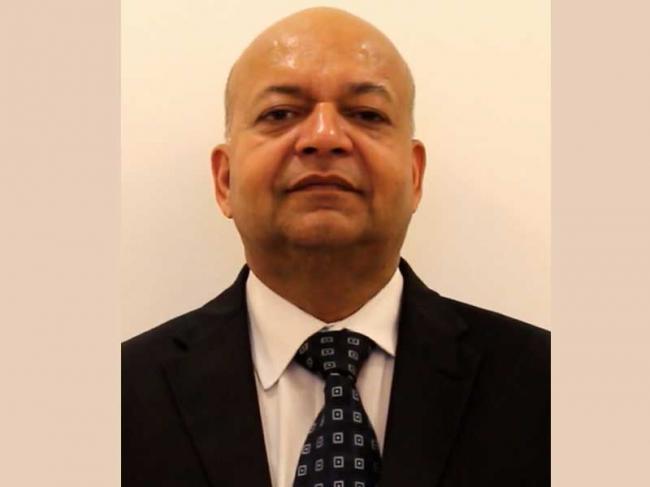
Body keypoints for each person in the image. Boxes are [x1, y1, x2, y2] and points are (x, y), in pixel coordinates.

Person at [122, 7, 550, 487]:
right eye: (280, 114)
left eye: (367, 114)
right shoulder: (119, 400)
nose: (324, 137)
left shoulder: (548, 388)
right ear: (225, 181)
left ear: (414, 176)